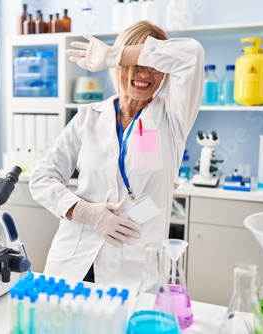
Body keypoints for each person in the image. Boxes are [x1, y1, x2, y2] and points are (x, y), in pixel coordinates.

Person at [29, 20, 205, 289]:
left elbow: (192, 54)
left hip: (131, 270)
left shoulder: (172, 118)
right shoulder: (87, 117)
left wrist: (115, 54)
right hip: (74, 261)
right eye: (134, 65)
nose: (144, 74)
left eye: (153, 65)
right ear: (118, 70)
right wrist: (86, 211)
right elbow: (41, 178)